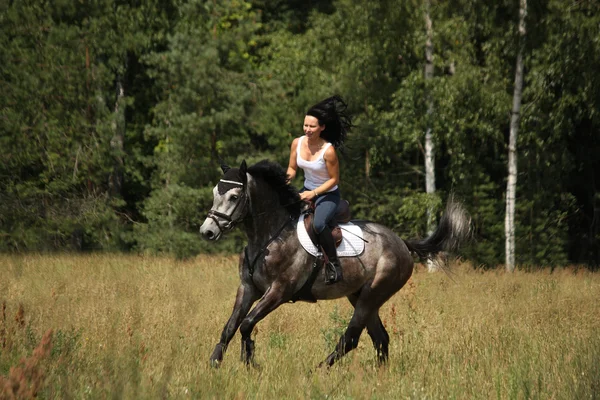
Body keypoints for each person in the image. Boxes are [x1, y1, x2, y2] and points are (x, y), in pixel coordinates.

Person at [286, 95, 353, 284]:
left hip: (328, 194)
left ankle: (334, 265)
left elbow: (334, 179)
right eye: (305, 125)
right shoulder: (297, 143)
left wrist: (313, 193)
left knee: (319, 224)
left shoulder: (328, 150)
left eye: (312, 126)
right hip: (306, 189)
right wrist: (285, 180)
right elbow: (292, 168)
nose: (307, 130)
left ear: (322, 127)